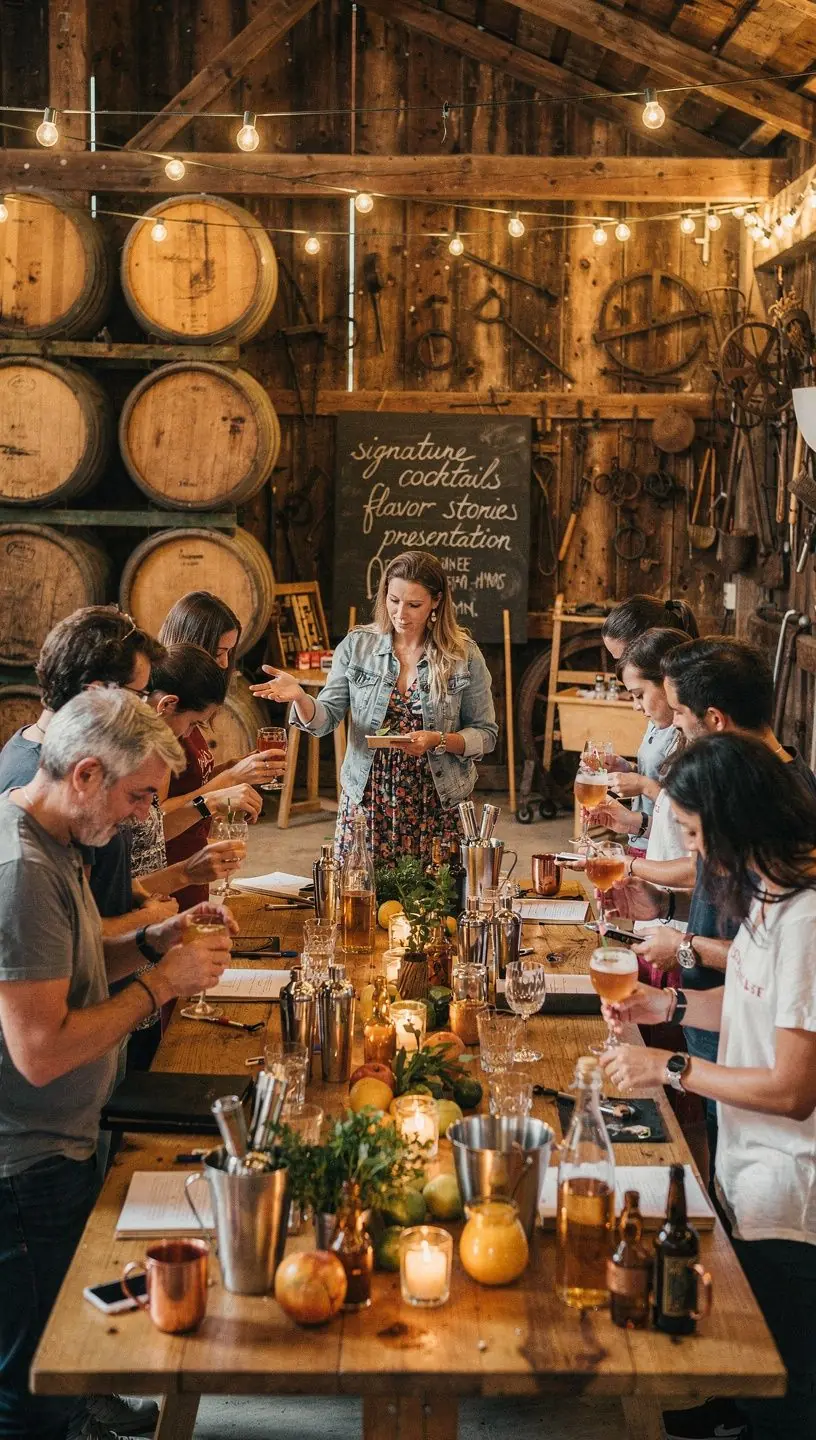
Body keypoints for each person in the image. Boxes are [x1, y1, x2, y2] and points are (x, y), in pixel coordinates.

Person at [0, 689, 233, 1440]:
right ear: (87, 774)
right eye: (139, 797)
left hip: (58, 1144)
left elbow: (75, 963)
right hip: (25, 1167)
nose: (142, 817)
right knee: (33, 1390)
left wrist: (158, 938)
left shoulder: (54, 837)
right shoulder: (20, 871)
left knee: (60, 1372)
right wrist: (161, 984)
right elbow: (41, 1053)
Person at [600, 734, 816, 1440]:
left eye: (694, 834)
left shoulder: (807, 922)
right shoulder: (767, 896)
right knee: (754, 1344)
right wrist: (666, 1006)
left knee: (791, 1387)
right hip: (749, 1167)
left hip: (793, 1188)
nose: (692, 851)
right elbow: (747, 1005)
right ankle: (736, 1409)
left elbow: (793, 1089)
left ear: (732, 822)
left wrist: (671, 1068)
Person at [250, 550, 498, 864]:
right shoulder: (357, 647)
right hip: (367, 802)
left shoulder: (464, 655)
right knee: (359, 891)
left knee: (436, 894)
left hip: (438, 803)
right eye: (393, 601)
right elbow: (325, 719)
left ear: (436, 601)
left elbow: (485, 735)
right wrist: (300, 697)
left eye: (414, 605)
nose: (401, 614)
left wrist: (439, 740)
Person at [157, 594, 277, 908]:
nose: (224, 663)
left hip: (192, 864)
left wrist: (231, 769)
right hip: (168, 875)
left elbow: (188, 782)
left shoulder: (187, 709)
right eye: (218, 652)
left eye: (228, 653)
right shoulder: (167, 721)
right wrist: (227, 783)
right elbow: (154, 821)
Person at [601, 596, 699, 843]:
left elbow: (693, 826)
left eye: (624, 656)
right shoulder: (659, 713)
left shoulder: (687, 725)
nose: (621, 666)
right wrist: (629, 770)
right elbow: (663, 774)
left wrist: (643, 788)